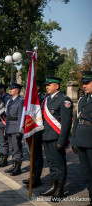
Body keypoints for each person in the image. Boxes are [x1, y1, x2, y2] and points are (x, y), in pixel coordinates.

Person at [40, 75, 73, 201]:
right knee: (51, 163)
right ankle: (53, 186)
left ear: (56, 86)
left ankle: (60, 190)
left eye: (49, 85)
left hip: (56, 137)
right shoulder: (46, 100)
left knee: (59, 164)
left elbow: (66, 123)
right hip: (46, 136)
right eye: (46, 85)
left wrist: (62, 140)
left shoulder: (64, 100)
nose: (47, 87)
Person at [71, 71, 92, 205]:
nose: (84, 86)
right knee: (85, 170)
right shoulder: (83, 99)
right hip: (82, 139)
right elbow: (77, 121)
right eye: (83, 83)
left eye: (87, 83)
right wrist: (74, 139)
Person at [22, 80, 44, 188]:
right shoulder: (30, 99)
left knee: (37, 155)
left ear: (37, 88)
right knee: (32, 154)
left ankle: (37, 178)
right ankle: (32, 176)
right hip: (30, 130)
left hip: (37, 131)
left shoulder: (41, 99)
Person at [3, 82, 24, 176]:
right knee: (11, 147)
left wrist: (20, 130)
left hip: (16, 126)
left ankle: (18, 167)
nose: (10, 90)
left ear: (17, 91)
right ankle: (14, 164)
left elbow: (21, 116)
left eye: (12, 89)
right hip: (9, 125)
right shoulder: (9, 101)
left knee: (17, 147)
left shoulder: (20, 101)